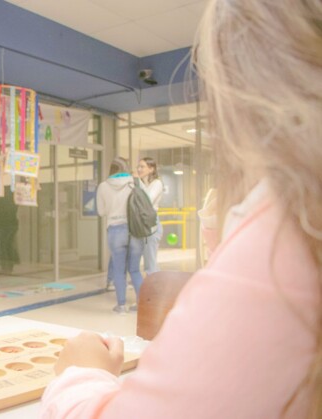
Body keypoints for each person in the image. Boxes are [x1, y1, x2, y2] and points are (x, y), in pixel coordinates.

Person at [41, 0, 322, 417]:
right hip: (142, 231)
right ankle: (131, 304)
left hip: (117, 231)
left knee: (121, 269)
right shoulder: (143, 185)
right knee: (143, 270)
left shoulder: (285, 232)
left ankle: (123, 303)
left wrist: (79, 374)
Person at [96, 157, 143, 313]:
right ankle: (142, 304)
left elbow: (101, 211)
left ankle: (121, 306)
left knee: (119, 270)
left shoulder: (103, 186)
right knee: (135, 270)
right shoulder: (134, 183)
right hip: (135, 230)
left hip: (115, 230)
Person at [136, 157, 163, 274]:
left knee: (150, 263)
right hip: (141, 223)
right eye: (138, 166)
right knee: (147, 261)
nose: (139, 169)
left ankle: (155, 287)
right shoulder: (143, 184)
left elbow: (147, 200)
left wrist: (139, 182)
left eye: (142, 167)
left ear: (151, 169)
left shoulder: (157, 183)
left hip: (151, 224)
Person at [0, 187, 19, 274]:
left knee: (0, 246)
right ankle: (9, 267)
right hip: (11, 224)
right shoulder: (13, 198)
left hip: (3, 225)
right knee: (8, 246)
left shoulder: (3, 199)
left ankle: (4, 268)